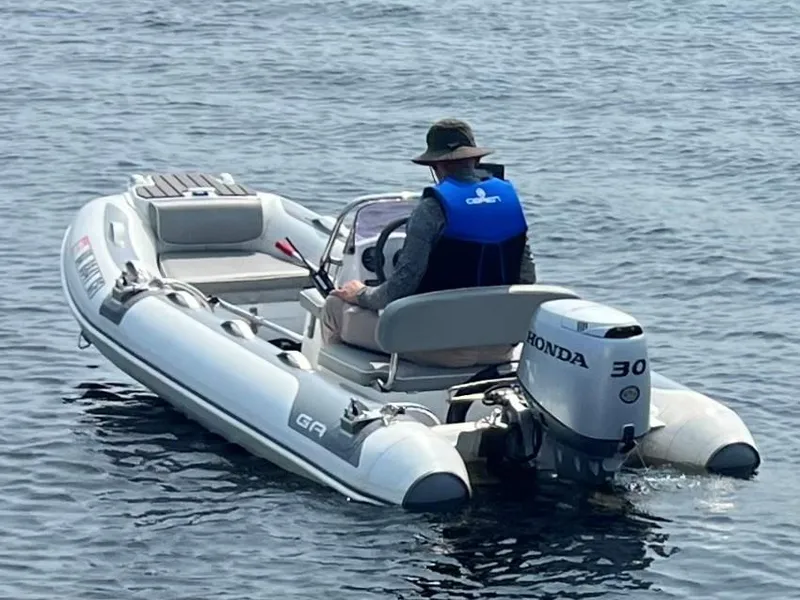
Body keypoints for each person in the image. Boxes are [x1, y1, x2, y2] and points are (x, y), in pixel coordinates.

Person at [321, 118, 538, 368]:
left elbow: (400, 288)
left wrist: (359, 293)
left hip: (435, 347)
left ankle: (338, 390)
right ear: (476, 160)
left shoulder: (432, 208)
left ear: (437, 166)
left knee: (334, 306)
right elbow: (527, 278)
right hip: (499, 347)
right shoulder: (509, 203)